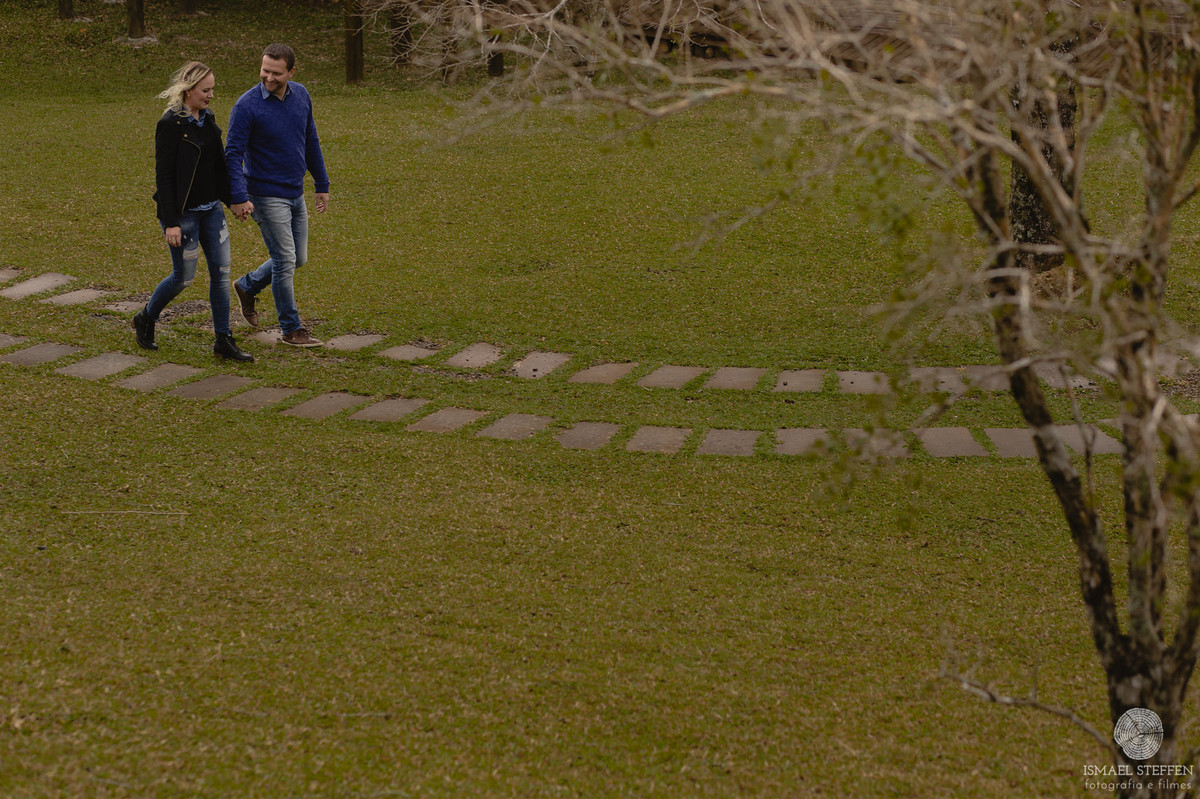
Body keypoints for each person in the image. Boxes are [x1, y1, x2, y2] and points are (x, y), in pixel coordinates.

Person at [134, 61, 254, 361]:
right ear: (188, 91)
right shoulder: (170, 124)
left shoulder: (209, 120)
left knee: (221, 274)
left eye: (212, 89)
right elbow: (164, 176)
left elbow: (218, 169)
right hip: (182, 216)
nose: (211, 95)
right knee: (183, 277)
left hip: (211, 211)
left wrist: (235, 201)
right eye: (205, 90)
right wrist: (171, 222)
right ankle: (146, 317)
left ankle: (223, 340)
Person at [225, 43, 330, 348]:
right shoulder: (247, 106)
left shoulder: (301, 96)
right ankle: (291, 328)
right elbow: (232, 155)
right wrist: (239, 196)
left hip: (294, 192)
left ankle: (247, 285)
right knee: (285, 259)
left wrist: (321, 184)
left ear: (291, 71)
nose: (269, 78)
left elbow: (310, 139)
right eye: (265, 71)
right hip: (265, 194)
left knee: (298, 258)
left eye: (276, 73)